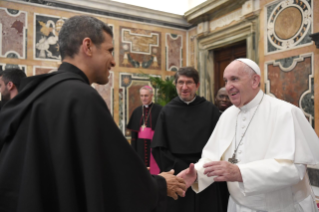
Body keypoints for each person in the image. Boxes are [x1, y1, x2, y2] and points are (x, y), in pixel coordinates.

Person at [0, 15, 187, 212]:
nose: (114, 61)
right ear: (87, 46)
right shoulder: (81, 97)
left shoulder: (35, 91)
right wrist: (159, 185)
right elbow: (112, 178)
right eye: (109, 50)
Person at [178, 58, 319, 212]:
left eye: (234, 79)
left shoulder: (285, 112)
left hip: (282, 207)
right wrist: (197, 174)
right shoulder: (227, 115)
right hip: (237, 206)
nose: (227, 86)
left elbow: (294, 169)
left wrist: (241, 173)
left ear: (254, 81)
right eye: (226, 80)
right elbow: (213, 157)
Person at [151, 67, 229, 212]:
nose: (184, 87)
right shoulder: (167, 111)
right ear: (175, 84)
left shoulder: (210, 110)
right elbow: (159, 147)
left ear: (197, 85)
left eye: (189, 83)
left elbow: (221, 143)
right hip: (177, 174)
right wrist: (177, 168)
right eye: (180, 82)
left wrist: (201, 169)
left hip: (205, 173)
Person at [127, 85, 162, 174]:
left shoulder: (160, 110)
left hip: (154, 146)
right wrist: (133, 151)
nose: (143, 98)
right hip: (140, 147)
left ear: (151, 95)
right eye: (141, 96)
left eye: (146, 95)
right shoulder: (137, 111)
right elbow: (133, 136)